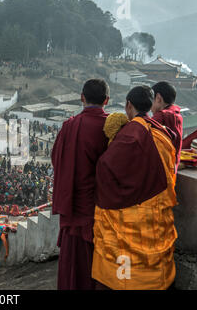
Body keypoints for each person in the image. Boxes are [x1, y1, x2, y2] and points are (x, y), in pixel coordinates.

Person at [92, 86, 178, 290]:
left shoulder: (130, 134)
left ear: (128, 105)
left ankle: (125, 281)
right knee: (153, 251)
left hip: (131, 210)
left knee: (124, 253)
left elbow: (106, 167)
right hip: (155, 209)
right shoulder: (161, 132)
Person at [51, 79, 110, 290]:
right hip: (100, 208)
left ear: (81, 97)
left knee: (72, 265)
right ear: (107, 100)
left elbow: (56, 158)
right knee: (98, 265)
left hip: (74, 205)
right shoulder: (111, 127)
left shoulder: (70, 126)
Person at [151, 81, 183, 168]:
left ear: (158, 98)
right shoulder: (176, 114)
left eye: (151, 101)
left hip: (162, 168)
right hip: (173, 166)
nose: (150, 107)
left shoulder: (161, 116)